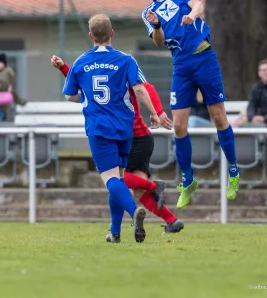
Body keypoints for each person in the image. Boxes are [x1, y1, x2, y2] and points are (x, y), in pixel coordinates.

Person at [142, 0, 240, 208]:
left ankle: (234, 173)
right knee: (178, 125)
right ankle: (188, 181)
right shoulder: (149, 12)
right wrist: (156, 26)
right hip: (182, 65)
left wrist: (192, 15)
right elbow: (158, 41)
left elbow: (199, 5)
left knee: (219, 118)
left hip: (204, 57)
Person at [52, 55, 185, 234]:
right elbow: (84, 84)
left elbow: (147, 88)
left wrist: (159, 112)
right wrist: (63, 68)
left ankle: (152, 188)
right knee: (134, 190)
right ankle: (171, 221)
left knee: (115, 180)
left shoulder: (126, 67)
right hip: (138, 136)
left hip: (134, 137)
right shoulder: (118, 69)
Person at [63, 14, 161, 244]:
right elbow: (139, 89)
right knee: (118, 178)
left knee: (110, 180)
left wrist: (88, 98)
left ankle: (133, 210)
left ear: (91, 36)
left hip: (99, 128)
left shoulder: (80, 62)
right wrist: (154, 113)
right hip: (124, 128)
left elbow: (70, 95)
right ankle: (114, 232)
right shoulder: (126, 60)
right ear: (112, 33)